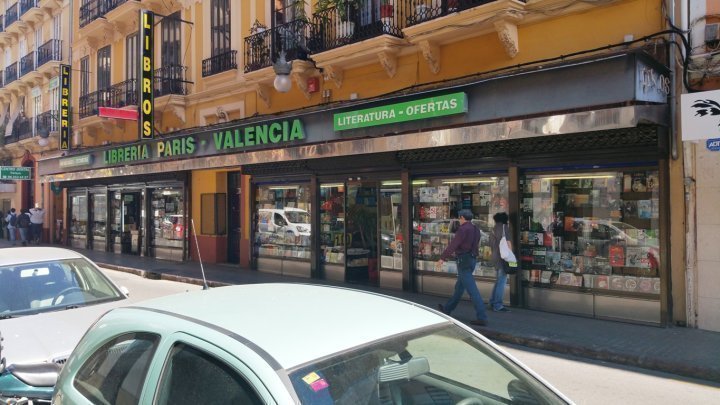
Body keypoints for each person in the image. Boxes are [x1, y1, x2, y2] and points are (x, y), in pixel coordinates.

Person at [437, 209, 489, 326]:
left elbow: (453, 245)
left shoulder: (463, 229)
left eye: (459, 218)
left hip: (463, 261)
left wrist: (442, 258)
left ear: (462, 218)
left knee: (472, 290)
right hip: (472, 259)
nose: (459, 220)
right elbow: (476, 244)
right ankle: (447, 309)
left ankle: (482, 317)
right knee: (459, 288)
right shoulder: (476, 229)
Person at [489, 212, 513, 312]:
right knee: (502, 282)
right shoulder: (504, 228)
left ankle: (492, 301)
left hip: (495, 256)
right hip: (503, 257)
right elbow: (508, 243)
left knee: (498, 280)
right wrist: (511, 256)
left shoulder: (493, 229)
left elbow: (490, 244)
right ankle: (498, 305)